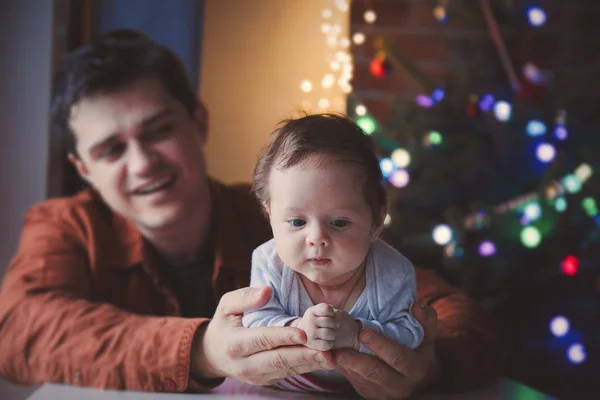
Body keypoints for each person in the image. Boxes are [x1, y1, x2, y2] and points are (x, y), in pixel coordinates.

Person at [0, 29, 505, 398]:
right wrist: (202, 349)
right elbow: (18, 328)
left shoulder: (293, 215)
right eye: (111, 150)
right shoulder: (66, 226)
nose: (143, 163)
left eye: (158, 130)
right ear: (82, 168)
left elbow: (455, 314)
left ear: (199, 122)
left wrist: (426, 365)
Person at [242, 114, 424, 393]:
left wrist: (355, 335)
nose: (317, 239)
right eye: (297, 222)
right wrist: (298, 327)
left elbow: (411, 334)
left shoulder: (392, 272)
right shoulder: (270, 262)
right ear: (270, 215)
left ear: (376, 222)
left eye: (339, 223)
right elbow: (253, 324)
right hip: (278, 390)